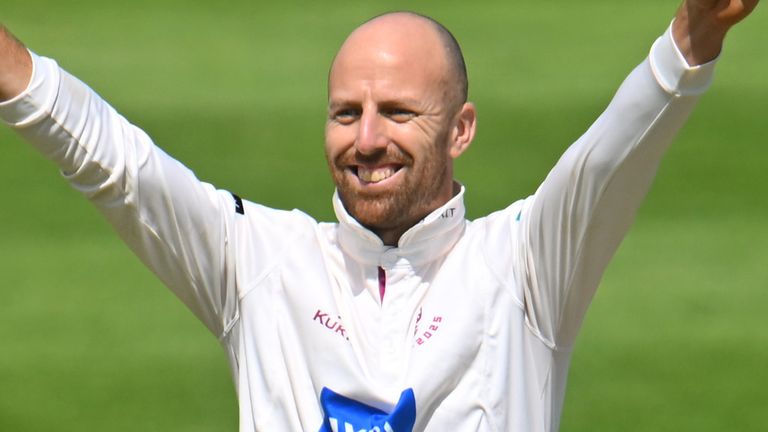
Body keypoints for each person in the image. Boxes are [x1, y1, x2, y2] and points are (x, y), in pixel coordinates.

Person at [0, 1, 759, 431]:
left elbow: (608, 163)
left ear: (460, 129)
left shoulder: (522, 267)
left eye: (397, 112)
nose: (366, 140)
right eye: (345, 113)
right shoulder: (257, 263)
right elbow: (116, 165)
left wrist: (691, 43)